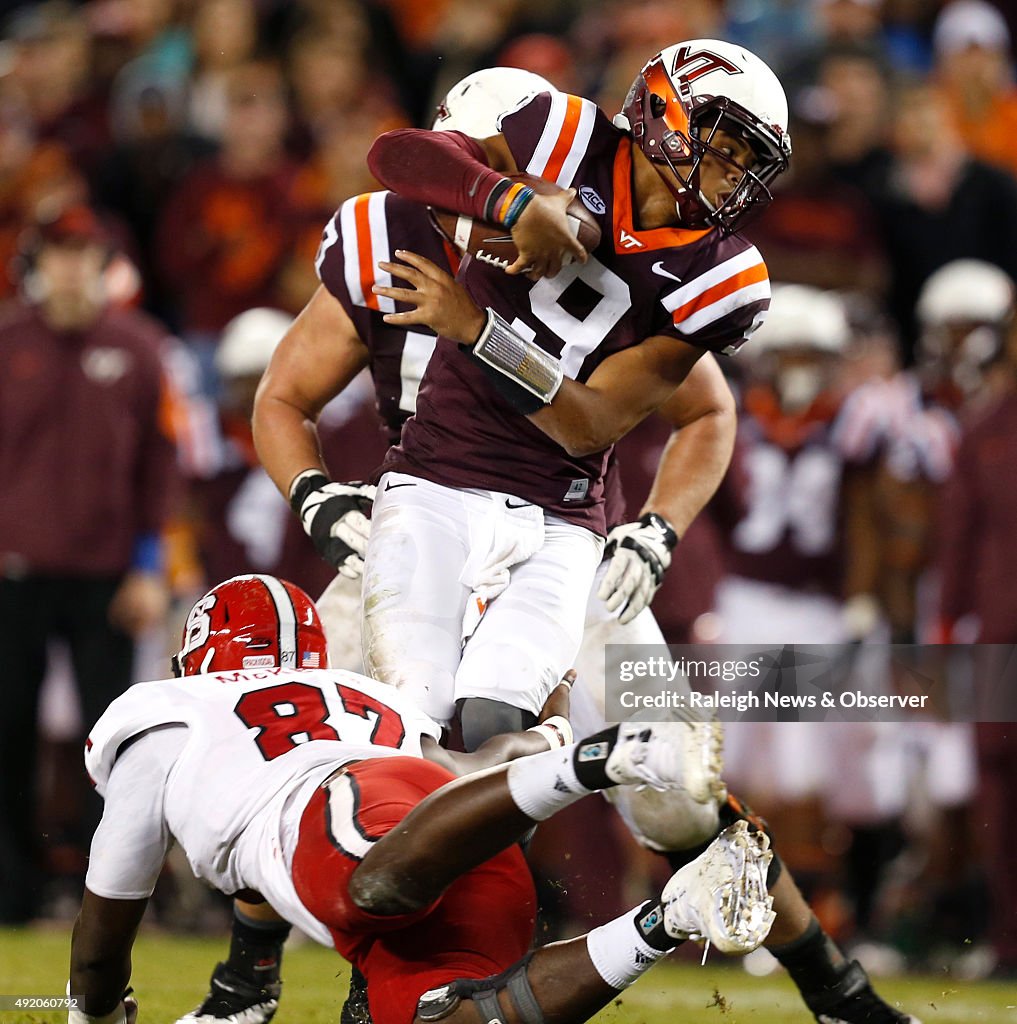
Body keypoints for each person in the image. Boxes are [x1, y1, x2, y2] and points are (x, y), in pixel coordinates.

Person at [252, 64, 920, 1024]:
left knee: (682, 797)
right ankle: (266, 977)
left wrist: (657, 529)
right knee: (325, 753)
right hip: (416, 519)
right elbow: (282, 397)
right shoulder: (381, 235)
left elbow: (699, 413)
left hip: (560, 535)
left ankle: (829, 981)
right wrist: (314, 496)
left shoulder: (614, 247)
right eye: (482, 167)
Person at [69, 573, 773, 1024]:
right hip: (450, 821)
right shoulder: (363, 695)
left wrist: (94, 1011)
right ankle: (671, 913)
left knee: (366, 887)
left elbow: (109, 912)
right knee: (448, 1020)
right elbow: (466, 770)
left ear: (197, 658)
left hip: (357, 829)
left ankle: (618, 753)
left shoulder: (165, 709)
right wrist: (554, 721)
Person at [0, 203, 179, 924]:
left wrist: (148, 564)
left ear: (103, 266)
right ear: (36, 267)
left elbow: (160, 467)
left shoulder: (138, 348)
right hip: (13, 569)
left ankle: (108, 889)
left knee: (113, 739)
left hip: (106, 574)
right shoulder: (7, 343)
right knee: (7, 730)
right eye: (58, 256)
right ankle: (14, 886)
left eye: (83, 255)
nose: (70, 270)